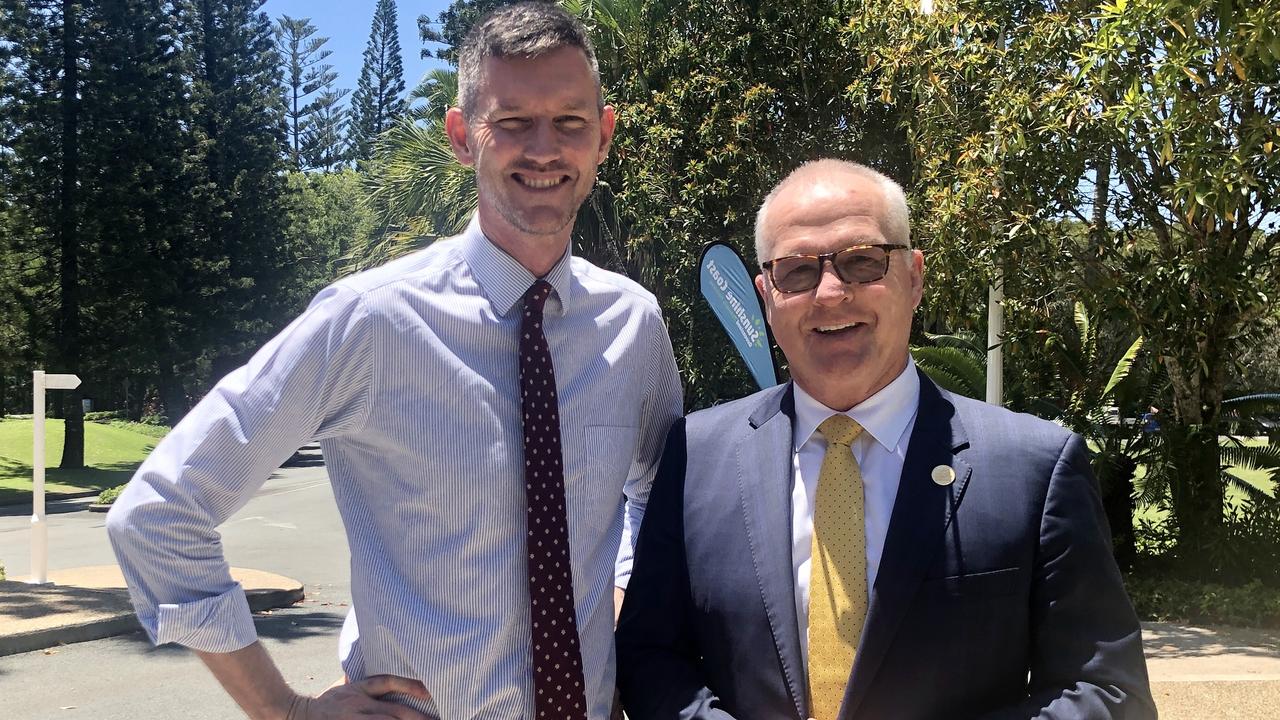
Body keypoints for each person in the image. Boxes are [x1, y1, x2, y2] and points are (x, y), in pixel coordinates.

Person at [106, 4, 681, 719]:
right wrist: (287, 709)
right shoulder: (369, 320)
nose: (544, 148)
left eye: (568, 121)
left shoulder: (632, 325)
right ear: (461, 135)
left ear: (603, 135)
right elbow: (158, 514)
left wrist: (622, 599)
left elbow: (664, 503)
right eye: (511, 122)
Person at [615, 159, 1155, 720]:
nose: (829, 292)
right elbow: (650, 656)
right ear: (766, 295)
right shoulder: (695, 456)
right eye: (796, 271)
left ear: (914, 277)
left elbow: (1108, 692)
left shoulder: (1036, 468)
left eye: (862, 262)